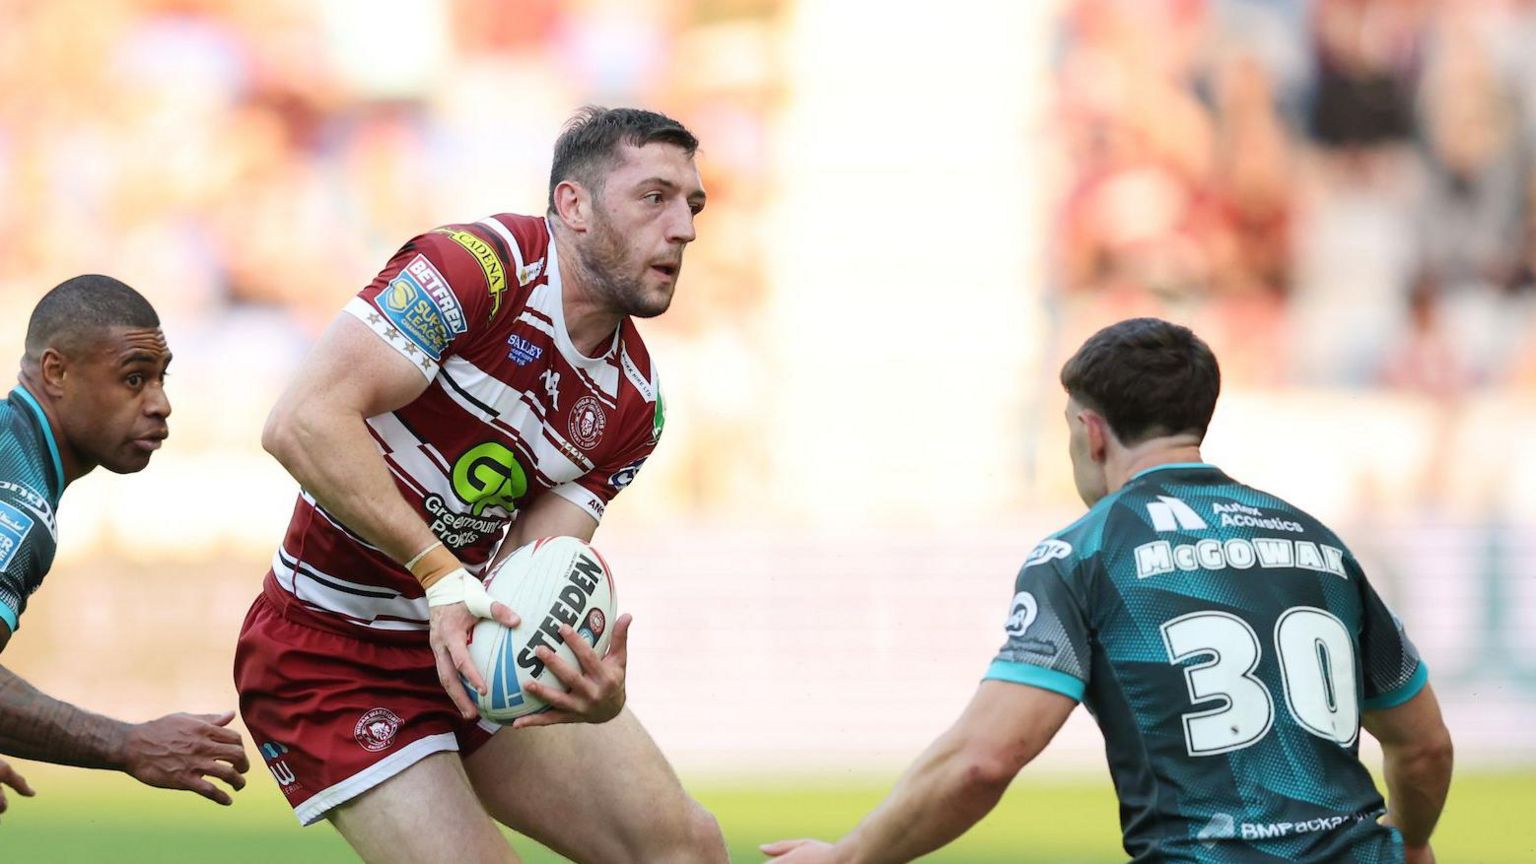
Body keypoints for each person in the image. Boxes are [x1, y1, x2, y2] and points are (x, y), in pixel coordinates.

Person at [763, 318, 1454, 864]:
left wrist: (849, 856)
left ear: (1092, 433)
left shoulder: (1085, 552)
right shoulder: (1318, 543)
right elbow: (1424, 748)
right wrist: (1413, 840)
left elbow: (983, 760)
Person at [233, 106, 726, 863]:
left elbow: (523, 581)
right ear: (574, 207)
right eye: (655, 197)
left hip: (463, 645)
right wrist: (437, 574)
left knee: (685, 849)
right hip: (328, 655)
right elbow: (301, 421)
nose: (684, 228)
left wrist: (585, 690)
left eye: (692, 205)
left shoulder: (634, 404)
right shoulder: (476, 267)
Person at [0, 275, 250, 818]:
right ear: (55, 372)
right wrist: (128, 744)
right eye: (134, 379)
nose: (161, 404)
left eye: (161, 379)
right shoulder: (18, 504)